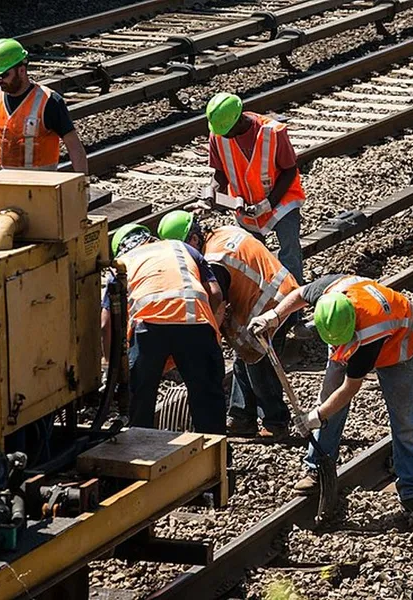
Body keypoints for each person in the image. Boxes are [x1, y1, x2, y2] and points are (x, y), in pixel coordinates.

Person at [250, 275, 413, 514]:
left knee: (404, 421)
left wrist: (316, 416)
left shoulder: (369, 333)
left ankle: (411, 489)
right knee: (328, 402)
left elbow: (349, 388)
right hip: (356, 335)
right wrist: (274, 316)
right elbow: (299, 294)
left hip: (401, 349)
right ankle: (316, 468)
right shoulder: (330, 294)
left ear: (352, 327)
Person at [157, 210, 300, 440]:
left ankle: (276, 422)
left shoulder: (214, 262)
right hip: (278, 294)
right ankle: (242, 417)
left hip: (272, 305)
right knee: (243, 356)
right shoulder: (222, 233)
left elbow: (218, 306)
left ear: (193, 240)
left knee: (259, 364)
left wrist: (207, 344)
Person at [101, 224, 226, 434]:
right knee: (207, 396)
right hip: (196, 323)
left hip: (148, 331)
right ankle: (217, 456)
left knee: (141, 399)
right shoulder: (182, 248)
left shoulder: (122, 264)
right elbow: (215, 293)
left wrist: (108, 366)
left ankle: (141, 455)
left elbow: (105, 324)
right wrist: (204, 323)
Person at [205, 92, 305, 286]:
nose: (223, 136)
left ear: (240, 121)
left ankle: (295, 303)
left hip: (281, 202)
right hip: (247, 208)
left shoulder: (272, 133)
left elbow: (289, 170)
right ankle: (268, 298)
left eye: (227, 131)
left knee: (289, 252)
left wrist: (268, 204)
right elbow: (220, 174)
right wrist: (211, 195)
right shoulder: (218, 135)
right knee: (256, 259)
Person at [0, 38, 88, 173]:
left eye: (4, 75)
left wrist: (82, 186)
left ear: (21, 70)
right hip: (2, 186)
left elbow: (74, 147)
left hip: (39, 187)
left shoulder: (48, 102)